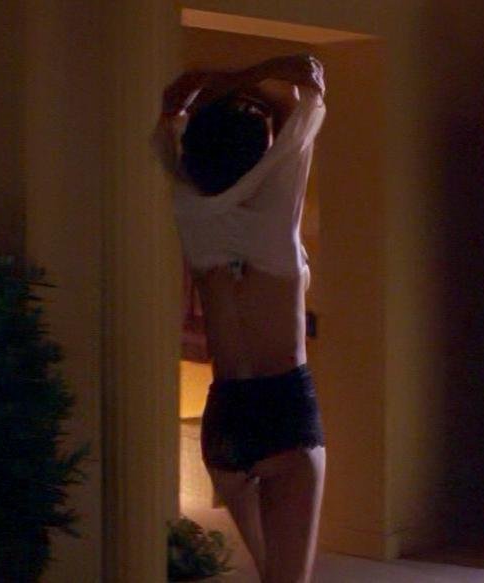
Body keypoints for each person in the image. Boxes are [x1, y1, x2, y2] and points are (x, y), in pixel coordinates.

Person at [150, 54, 328, 583]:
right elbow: (305, 87)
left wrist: (221, 90)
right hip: (285, 412)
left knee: (272, 573)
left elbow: (171, 120)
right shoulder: (275, 217)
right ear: (259, 152)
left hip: (226, 418)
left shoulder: (189, 207)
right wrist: (239, 80)